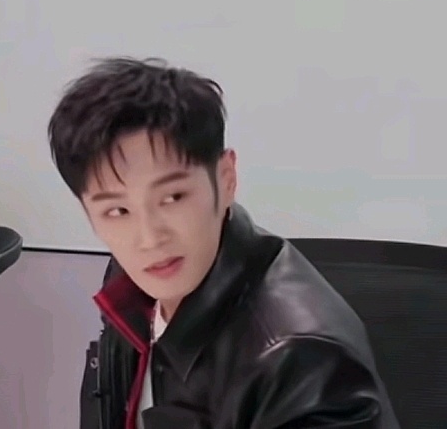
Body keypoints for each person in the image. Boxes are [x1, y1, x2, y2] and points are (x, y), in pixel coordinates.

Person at [48, 58, 399, 429]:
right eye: (118, 211)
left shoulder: (301, 359)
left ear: (227, 178)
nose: (149, 238)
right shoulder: (129, 281)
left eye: (173, 198)